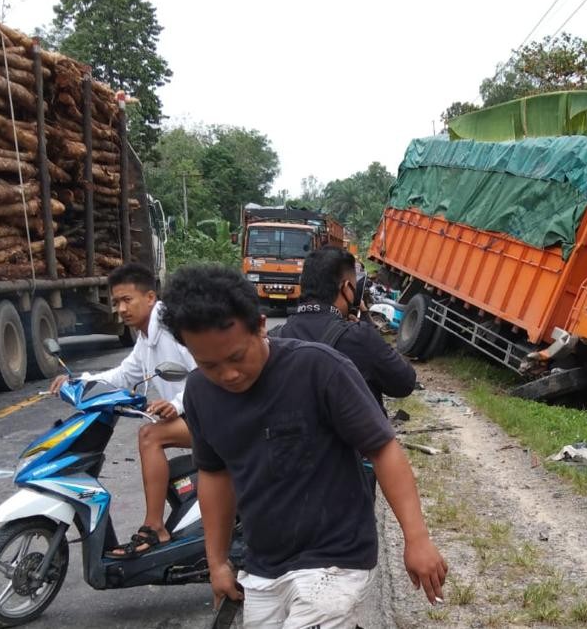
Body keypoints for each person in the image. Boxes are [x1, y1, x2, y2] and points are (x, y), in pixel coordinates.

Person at [161, 265, 447, 627]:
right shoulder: (200, 393)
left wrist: (416, 538)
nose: (227, 374)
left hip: (336, 557)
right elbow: (214, 475)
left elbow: (383, 448)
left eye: (236, 357)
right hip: (264, 564)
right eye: (209, 364)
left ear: (261, 325)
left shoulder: (319, 369)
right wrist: (217, 562)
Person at [49, 262, 198, 557]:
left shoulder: (171, 328)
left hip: (213, 415)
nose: (120, 309)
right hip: (194, 414)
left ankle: (155, 527)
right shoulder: (146, 336)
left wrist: (176, 403)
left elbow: (204, 371)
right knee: (150, 434)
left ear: (151, 297)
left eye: (127, 300)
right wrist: (79, 382)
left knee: (150, 436)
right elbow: (123, 375)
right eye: (116, 302)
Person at [275, 246, 416, 414]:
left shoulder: (275, 337)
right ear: (347, 289)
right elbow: (404, 382)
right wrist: (366, 322)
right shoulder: (359, 337)